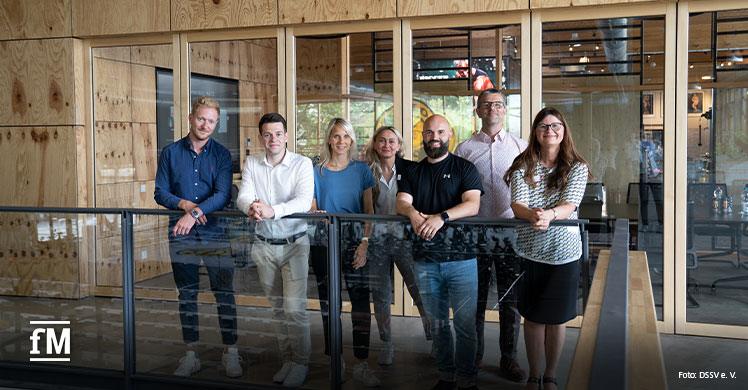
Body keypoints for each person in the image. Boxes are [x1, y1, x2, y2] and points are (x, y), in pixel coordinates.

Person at [154, 96, 241, 378]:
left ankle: (231, 352)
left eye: (211, 121)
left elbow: (223, 194)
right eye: (201, 118)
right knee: (187, 294)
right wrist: (186, 207)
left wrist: (195, 214)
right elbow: (160, 192)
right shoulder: (170, 152)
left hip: (215, 234)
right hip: (182, 236)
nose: (205, 125)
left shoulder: (221, 155)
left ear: (216, 124)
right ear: (191, 118)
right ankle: (191, 354)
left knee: (224, 293)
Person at [504, 107, 589, 390]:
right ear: (535, 132)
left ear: (564, 131)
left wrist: (549, 215)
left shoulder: (577, 167)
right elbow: (518, 203)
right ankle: (534, 375)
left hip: (564, 254)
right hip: (529, 252)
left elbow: (571, 203)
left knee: (557, 318)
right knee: (533, 316)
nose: (549, 130)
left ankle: (550, 375)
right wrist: (532, 216)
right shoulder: (522, 165)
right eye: (543, 126)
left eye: (555, 125)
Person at [396, 114, 483, 390]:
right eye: (429, 132)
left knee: (465, 326)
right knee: (438, 324)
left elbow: (472, 205)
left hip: (462, 260)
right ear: (423, 136)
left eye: (441, 132)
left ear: (450, 135)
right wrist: (411, 213)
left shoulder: (465, 167)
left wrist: (441, 217)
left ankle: (467, 380)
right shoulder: (413, 171)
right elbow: (402, 201)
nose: (435, 137)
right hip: (426, 261)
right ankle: (446, 376)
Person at [454, 88, 527, 382]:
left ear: (504, 110)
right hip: (475, 232)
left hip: (511, 231)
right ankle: (475, 355)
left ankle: (509, 358)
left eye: (498, 104)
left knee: (511, 299)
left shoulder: (521, 147)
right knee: (475, 298)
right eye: (487, 105)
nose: (493, 109)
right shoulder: (464, 149)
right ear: (478, 111)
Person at [236, 113, 313, 387]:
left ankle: (302, 362)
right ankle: (288, 360)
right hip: (264, 246)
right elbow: (244, 195)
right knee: (277, 308)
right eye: (267, 135)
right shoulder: (253, 163)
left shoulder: (302, 163)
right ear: (261, 138)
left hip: (295, 244)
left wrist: (272, 211)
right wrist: (251, 207)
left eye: (278, 134)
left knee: (295, 309)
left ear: (287, 135)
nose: (273, 139)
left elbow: (304, 201)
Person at [310, 117, 380, 387]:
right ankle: (334, 360)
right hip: (323, 242)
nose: (341, 141)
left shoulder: (362, 170)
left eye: (346, 137)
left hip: (354, 241)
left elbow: (369, 212)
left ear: (352, 140)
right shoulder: (316, 171)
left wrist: (364, 243)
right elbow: (314, 207)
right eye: (336, 136)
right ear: (329, 139)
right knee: (329, 303)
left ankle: (362, 363)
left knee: (361, 302)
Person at [364, 126, 432, 366]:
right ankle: (386, 344)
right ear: (375, 144)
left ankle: (433, 339)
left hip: (406, 239)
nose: (387, 145)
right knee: (381, 294)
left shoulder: (411, 169)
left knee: (420, 290)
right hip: (377, 241)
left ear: (399, 145)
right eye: (382, 141)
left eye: (392, 141)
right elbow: (366, 208)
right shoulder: (367, 171)